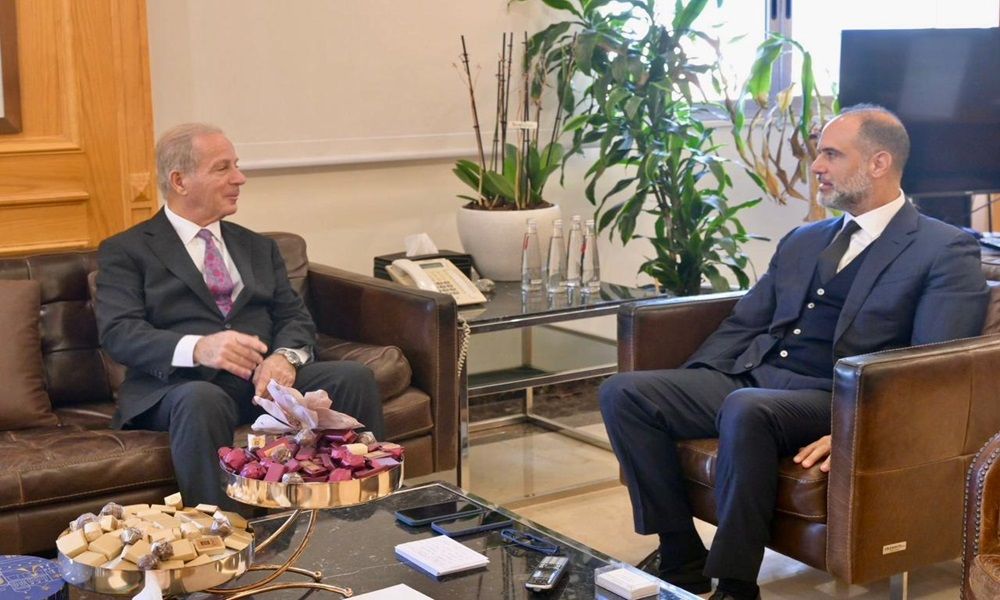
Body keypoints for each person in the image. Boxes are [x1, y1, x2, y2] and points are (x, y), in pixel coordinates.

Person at [599, 105, 989, 600]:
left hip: (832, 398)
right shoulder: (806, 239)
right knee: (626, 394)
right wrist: (694, 382)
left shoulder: (943, 248)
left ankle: (737, 584)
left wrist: (856, 427)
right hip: (754, 376)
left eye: (831, 154)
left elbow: (934, 365)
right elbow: (745, 322)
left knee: (746, 408)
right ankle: (681, 555)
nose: (817, 167)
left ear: (879, 163)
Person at [95, 123, 384, 508]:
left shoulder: (258, 246)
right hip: (180, 387)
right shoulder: (127, 250)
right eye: (222, 168)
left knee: (353, 377)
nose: (239, 178)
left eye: (236, 165)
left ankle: (360, 513)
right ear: (180, 181)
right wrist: (199, 348)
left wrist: (284, 358)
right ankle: (222, 529)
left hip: (260, 386)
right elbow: (119, 332)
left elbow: (295, 318)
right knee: (201, 399)